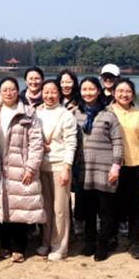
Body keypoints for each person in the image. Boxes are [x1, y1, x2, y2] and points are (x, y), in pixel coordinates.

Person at [0, 77, 45, 263]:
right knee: (3, 209)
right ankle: (4, 246)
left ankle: (18, 248)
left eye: (12, 89)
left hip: (20, 168)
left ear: (17, 90)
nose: (8, 93)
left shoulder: (28, 113)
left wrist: (31, 168)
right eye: (4, 89)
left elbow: (36, 143)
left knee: (20, 210)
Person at [72, 77, 123, 262]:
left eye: (91, 89)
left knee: (105, 210)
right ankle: (90, 241)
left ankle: (103, 243)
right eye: (84, 89)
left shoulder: (109, 115)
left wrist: (115, 167)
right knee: (89, 209)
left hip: (105, 169)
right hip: (84, 169)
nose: (88, 93)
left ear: (99, 91)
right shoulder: (75, 114)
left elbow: (118, 142)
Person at [35, 79, 77, 262]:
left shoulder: (66, 115)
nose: (49, 95)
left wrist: (67, 167)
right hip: (41, 167)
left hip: (60, 166)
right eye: (46, 92)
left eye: (53, 92)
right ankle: (46, 241)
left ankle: (60, 247)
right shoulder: (37, 113)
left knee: (60, 209)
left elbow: (71, 143)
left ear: (59, 94)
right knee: (46, 208)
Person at [109, 78, 139, 259]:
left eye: (128, 91)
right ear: (113, 93)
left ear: (133, 94)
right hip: (111, 166)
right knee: (112, 203)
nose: (124, 94)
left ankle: (134, 241)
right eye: (120, 91)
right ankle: (111, 237)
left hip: (134, 165)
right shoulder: (107, 112)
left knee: (134, 205)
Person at [56, 69, 84, 235]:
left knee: (79, 190)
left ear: (74, 83)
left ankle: (79, 219)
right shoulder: (54, 100)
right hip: (59, 154)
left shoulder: (81, 102)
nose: (65, 85)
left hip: (78, 153)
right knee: (62, 191)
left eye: (69, 81)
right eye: (62, 82)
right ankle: (67, 224)